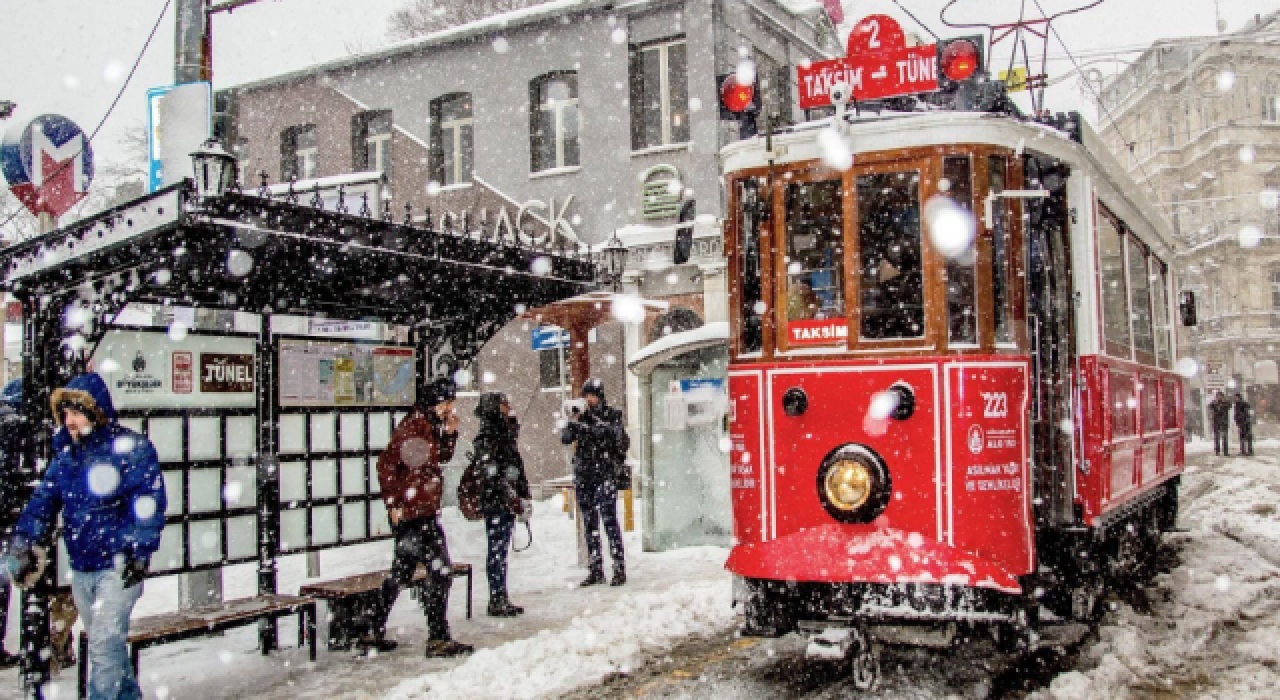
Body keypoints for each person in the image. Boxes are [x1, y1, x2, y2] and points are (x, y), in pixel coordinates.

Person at [2, 373, 166, 700]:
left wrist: (138, 549)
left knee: (104, 647)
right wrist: (22, 543)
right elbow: (41, 504)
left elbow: (148, 501)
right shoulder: (66, 458)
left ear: (96, 412)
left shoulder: (131, 450)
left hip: (118, 568)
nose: (70, 421)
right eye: (66, 414)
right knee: (111, 652)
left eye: (77, 413)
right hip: (83, 569)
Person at [369, 378, 473, 657]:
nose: (449, 407)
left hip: (419, 510)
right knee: (439, 571)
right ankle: (438, 638)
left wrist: (450, 433)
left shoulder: (426, 425)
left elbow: (438, 458)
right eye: (446, 402)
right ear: (434, 402)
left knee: (402, 572)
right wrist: (394, 502)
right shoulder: (415, 425)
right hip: (415, 513)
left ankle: (371, 628)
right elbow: (387, 464)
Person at [560, 378, 629, 587]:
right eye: (586, 396)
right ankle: (595, 568)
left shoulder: (611, 415)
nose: (589, 400)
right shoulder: (579, 416)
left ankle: (618, 567)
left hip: (604, 473)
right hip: (584, 475)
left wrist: (591, 424)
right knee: (590, 524)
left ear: (599, 396)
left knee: (609, 521)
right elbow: (565, 438)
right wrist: (574, 421)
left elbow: (617, 439)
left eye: (592, 396)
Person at [472, 392, 532, 617]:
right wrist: (511, 491)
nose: (509, 407)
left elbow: (512, 464)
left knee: (500, 549)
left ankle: (500, 596)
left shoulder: (500, 432)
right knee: (497, 549)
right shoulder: (490, 434)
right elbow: (494, 470)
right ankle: (497, 597)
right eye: (504, 404)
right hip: (497, 499)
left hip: (501, 498)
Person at [1210, 390, 1232, 456]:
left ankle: (1225, 451)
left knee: (1224, 437)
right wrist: (1215, 402)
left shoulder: (1225, 403)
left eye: (1220, 396)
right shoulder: (1214, 403)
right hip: (1216, 422)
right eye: (1218, 396)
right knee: (1217, 437)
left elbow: (1229, 405)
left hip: (1224, 422)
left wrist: (1224, 402)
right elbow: (1210, 406)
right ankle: (1217, 451)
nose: (1219, 398)